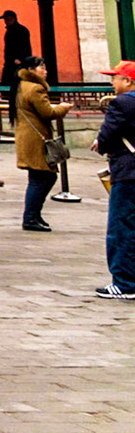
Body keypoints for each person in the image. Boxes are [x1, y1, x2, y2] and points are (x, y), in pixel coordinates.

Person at [91, 61, 135, 299]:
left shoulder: (122, 103)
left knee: (122, 226)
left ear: (127, 81)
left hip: (128, 172)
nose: (112, 83)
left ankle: (125, 283)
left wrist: (101, 144)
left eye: (115, 78)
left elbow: (107, 135)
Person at [13, 55, 70, 233]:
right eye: (42, 68)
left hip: (27, 137)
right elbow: (47, 113)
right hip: (36, 140)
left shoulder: (21, 85)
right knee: (42, 178)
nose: (45, 72)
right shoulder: (35, 88)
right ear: (31, 70)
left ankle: (34, 215)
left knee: (40, 177)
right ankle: (30, 217)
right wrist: (63, 108)